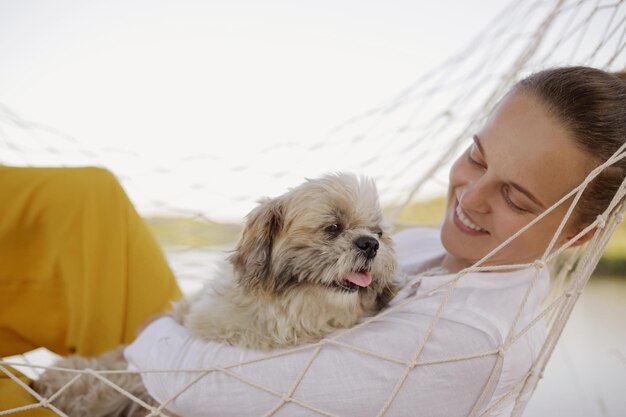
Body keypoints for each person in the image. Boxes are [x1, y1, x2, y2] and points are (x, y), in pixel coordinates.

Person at [1, 66, 625, 416]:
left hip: (186, 383)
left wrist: (156, 333)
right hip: (206, 341)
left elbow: (201, 387)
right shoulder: (459, 249)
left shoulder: (469, 344)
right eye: (475, 156)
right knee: (85, 202)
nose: (471, 196)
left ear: (585, 231)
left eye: (516, 198)